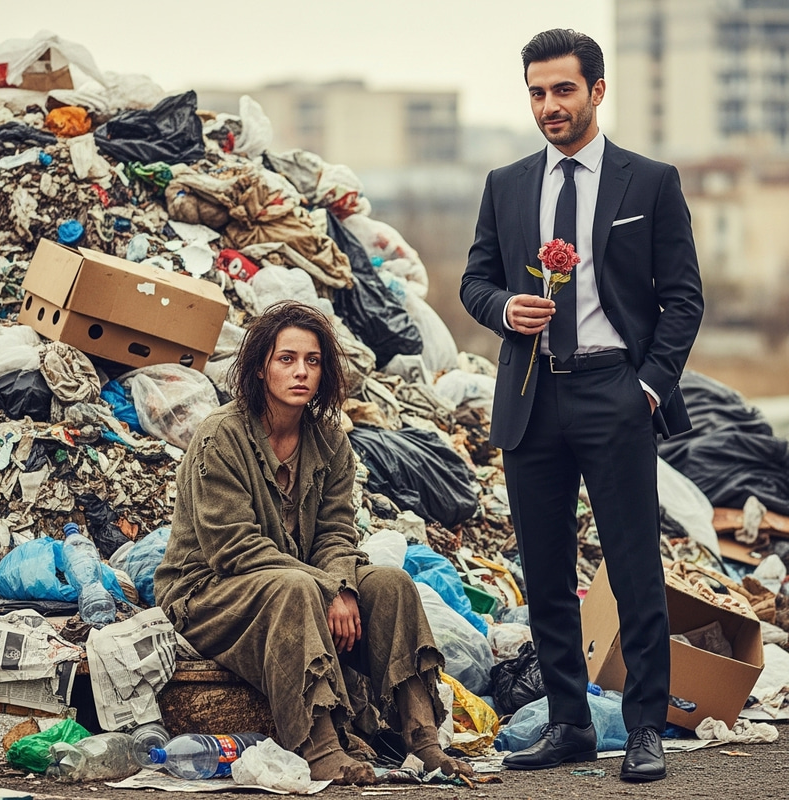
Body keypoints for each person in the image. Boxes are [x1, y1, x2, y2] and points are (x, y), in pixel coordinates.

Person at [460, 28, 704, 783]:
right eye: (537, 92)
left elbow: (683, 300)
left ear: (597, 91)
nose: (548, 106)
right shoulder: (506, 183)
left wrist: (647, 386)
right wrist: (506, 310)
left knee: (633, 565)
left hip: (614, 391)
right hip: (532, 392)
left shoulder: (650, 182)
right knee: (544, 567)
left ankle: (644, 728)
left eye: (563, 90)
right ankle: (567, 722)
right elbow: (474, 281)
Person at [154, 301, 472, 785]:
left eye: (313, 361)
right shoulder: (221, 436)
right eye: (286, 359)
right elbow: (233, 548)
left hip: (298, 581)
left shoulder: (329, 439)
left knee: (391, 584)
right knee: (296, 590)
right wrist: (327, 588)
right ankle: (320, 745)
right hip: (209, 593)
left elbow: (336, 533)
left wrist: (342, 584)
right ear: (261, 368)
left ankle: (422, 740)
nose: (301, 371)